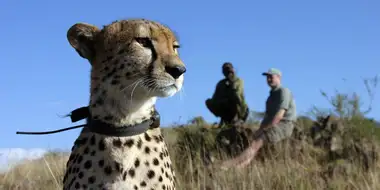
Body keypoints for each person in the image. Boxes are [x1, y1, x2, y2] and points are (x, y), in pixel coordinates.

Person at [219, 68, 297, 169]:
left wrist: (263, 130)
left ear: (278, 77)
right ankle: (237, 169)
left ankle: (228, 164)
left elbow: (279, 116)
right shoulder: (270, 97)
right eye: (267, 77)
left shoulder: (284, 91)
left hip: (284, 124)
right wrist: (259, 130)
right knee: (253, 141)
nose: (269, 79)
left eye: (271, 77)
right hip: (274, 124)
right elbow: (267, 117)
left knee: (257, 142)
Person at [205, 62, 249, 127]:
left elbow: (238, 94)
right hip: (225, 108)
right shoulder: (220, 84)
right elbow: (215, 99)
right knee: (209, 102)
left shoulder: (238, 81)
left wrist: (232, 82)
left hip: (239, 109)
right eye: (225, 70)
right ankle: (224, 119)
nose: (228, 72)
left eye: (229, 70)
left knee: (234, 95)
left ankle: (237, 119)